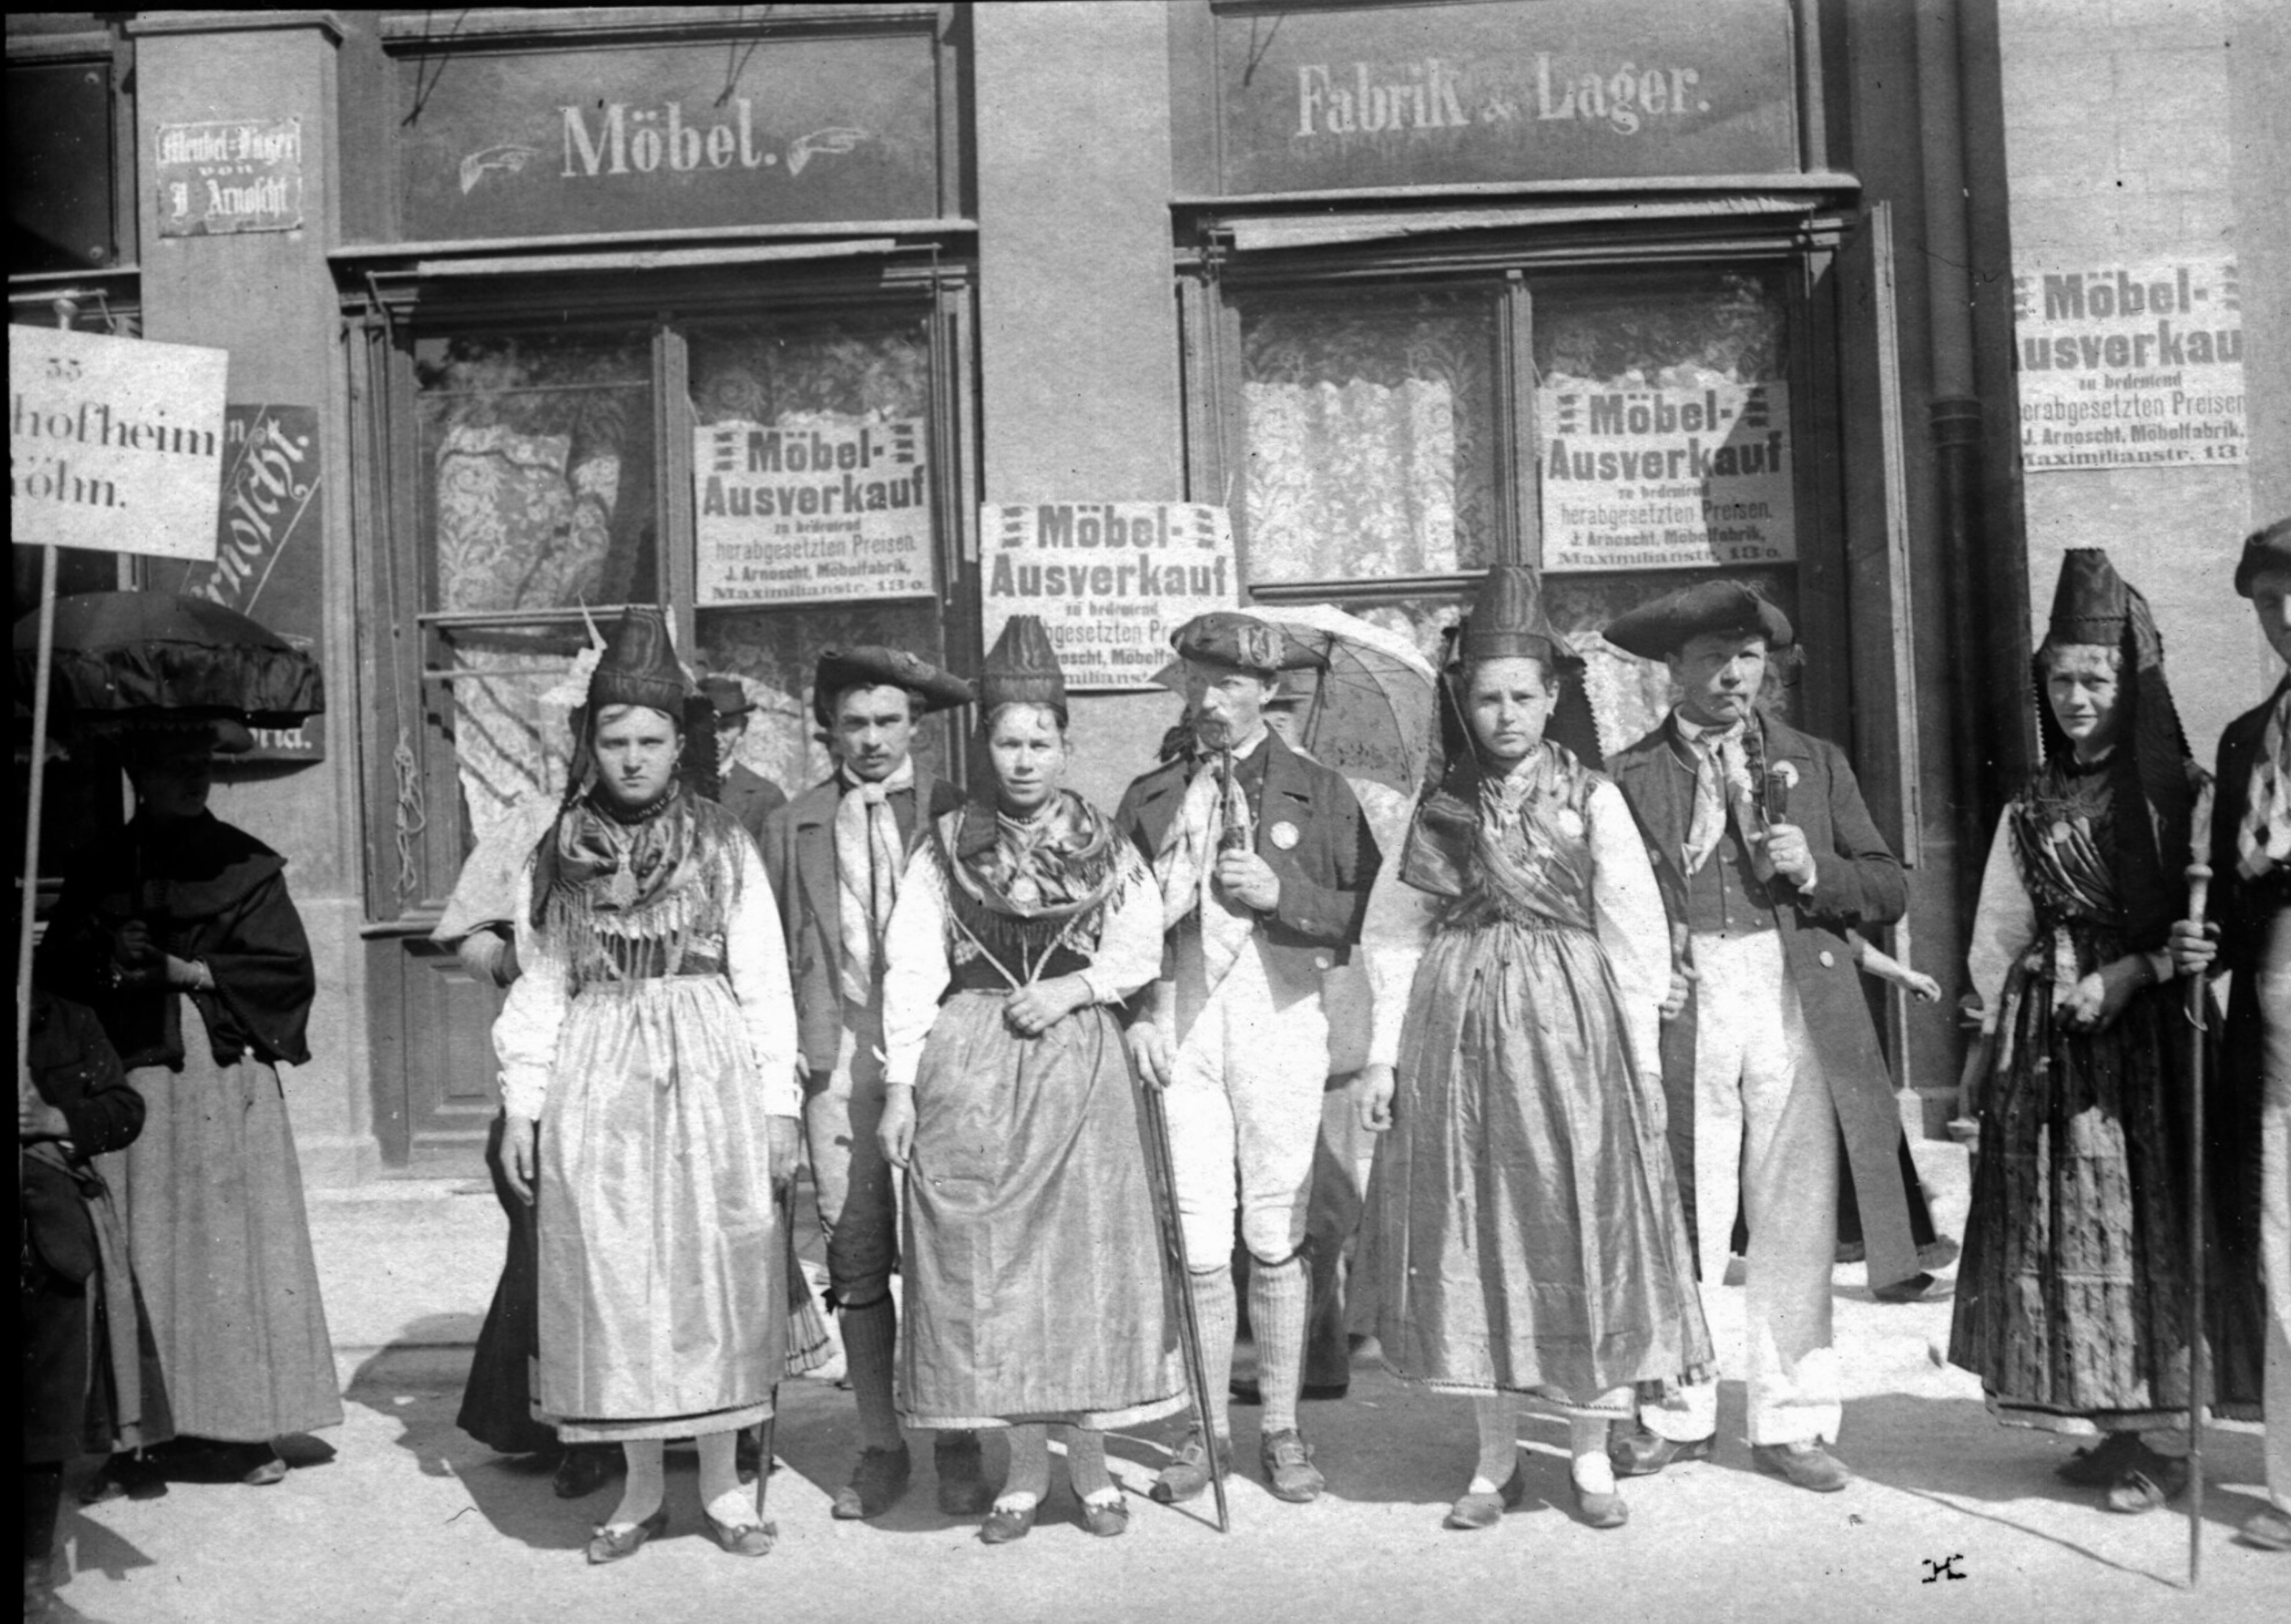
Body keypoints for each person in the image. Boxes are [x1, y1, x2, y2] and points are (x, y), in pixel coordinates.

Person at [1355, 566, 1710, 1531]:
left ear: (1552, 698)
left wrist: (1638, 1061)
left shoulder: (1590, 798)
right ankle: (1493, 1459)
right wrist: (1384, 1057)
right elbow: (1392, 933)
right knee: (1473, 1233)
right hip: (1458, 1031)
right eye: (1485, 697)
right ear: (1461, 704)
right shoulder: (1444, 804)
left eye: (1521, 696)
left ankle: (1589, 1453)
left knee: (1574, 1220)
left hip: (1569, 1032)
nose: (1504, 714)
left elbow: (1633, 933)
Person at [492, 606, 804, 1562]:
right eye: (614, 740)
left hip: (705, 1069)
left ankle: (720, 1489)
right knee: (617, 1276)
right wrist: (522, 1104)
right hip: (597, 1077)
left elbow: (763, 976)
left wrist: (779, 1105)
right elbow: (542, 977)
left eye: (651, 741)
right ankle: (634, 1491)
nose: (632, 759)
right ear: (589, 743)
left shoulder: (720, 843)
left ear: (680, 745)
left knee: (709, 1276)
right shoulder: (558, 850)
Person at [876, 616, 1185, 1542]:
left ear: (1063, 742)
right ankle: (1018, 1472)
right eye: (1006, 743)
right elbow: (907, 964)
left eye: (1038, 742)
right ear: (987, 746)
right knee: (993, 1273)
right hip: (971, 1066)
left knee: (1079, 1271)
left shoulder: (1102, 840)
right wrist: (899, 1085)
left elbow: (1137, 947)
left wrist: (1074, 988)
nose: (1021, 761)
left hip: (1075, 1066)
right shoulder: (945, 845)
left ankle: (1087, 1472)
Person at [1599, 581, 1912, 1493]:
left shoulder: (1813, 762)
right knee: (1680, 1209)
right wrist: (1657, 962)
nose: (1733, 677)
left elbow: (1890, 887)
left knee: (1795, 1211)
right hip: (1685, 1000)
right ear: (1673, 672)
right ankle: (1674, 1412)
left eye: (1747, 659)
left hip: (1792, 997)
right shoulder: (1628, 776)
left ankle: (1792, 1418)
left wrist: (1818, 871)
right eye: (1711, 660)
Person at [1950, 548, 2219, 1516]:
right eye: (2058, 681)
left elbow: (2212, 927)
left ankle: (2159, 1436)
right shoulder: (2028, 800)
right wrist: (1996, 1028)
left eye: (2092, 681)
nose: (2073, 698)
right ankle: (2098, 1421)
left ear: (2126, 684)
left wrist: (2131, 970)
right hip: (2047, 1038)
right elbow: (1999, 923)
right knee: (2058, 1220)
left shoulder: (2177, 793)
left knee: (2145, 1223)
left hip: (2146, 1043)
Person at [39, 714, 342, 1497]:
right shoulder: (104, 864)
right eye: (174, 765)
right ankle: (135, 1434)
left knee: (228, 1256)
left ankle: (238, 1431)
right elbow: (61, 974)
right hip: (130, 1085)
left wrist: (187, 969)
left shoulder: (243, 862)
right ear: (139, 773)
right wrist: (111, 958)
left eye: (201, 762)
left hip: (216, 1079)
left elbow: (284, 974)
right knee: (135, 1251)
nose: (192, 777)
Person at [1116, 612, 1380, 1507]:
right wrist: (1143, 1009)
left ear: (1268, 691)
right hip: (1181, 1019)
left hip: (1278, 1014)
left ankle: (1279, 1427)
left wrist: (1283, 894)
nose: (1208, 698)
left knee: (1274, 1229)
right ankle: (1203, 1429)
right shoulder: (1154, 795)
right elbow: (1113, 915)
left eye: (1228, 683)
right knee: (1195, 1233)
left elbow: (1357, 915)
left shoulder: (1318, 790)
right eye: (1195, 680)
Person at [758, 643, 984, 1521]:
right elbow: (771, 953)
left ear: (916, 728)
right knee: (855, 1252)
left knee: (945, 1244)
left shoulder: (954, 810)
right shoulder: (793, 822)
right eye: (853, 724)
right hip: (839, 1048)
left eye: (888, 722)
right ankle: (881, 1442)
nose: (871, 740)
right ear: (830, 732)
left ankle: (958, 1437)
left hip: (939, 1046)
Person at [2171, 518, 2291, 1550]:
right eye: (2266, 599)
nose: (2286, 615)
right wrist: (2202, 938)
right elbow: (2220, 889)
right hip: (2272, 1009)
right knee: (2283, 1234)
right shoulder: (2245, 737)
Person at [21, 987, 171, 1623]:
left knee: (40, 1425)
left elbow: (124, 1109)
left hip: (50, 1250)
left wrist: (58, 1121)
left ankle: (32, 1584)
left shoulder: (68, 1020)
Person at [701, 674, 787, 846]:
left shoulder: (766, 798)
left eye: (725, 727)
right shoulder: (666, 788)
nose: (715, 737)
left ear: (743, 727)